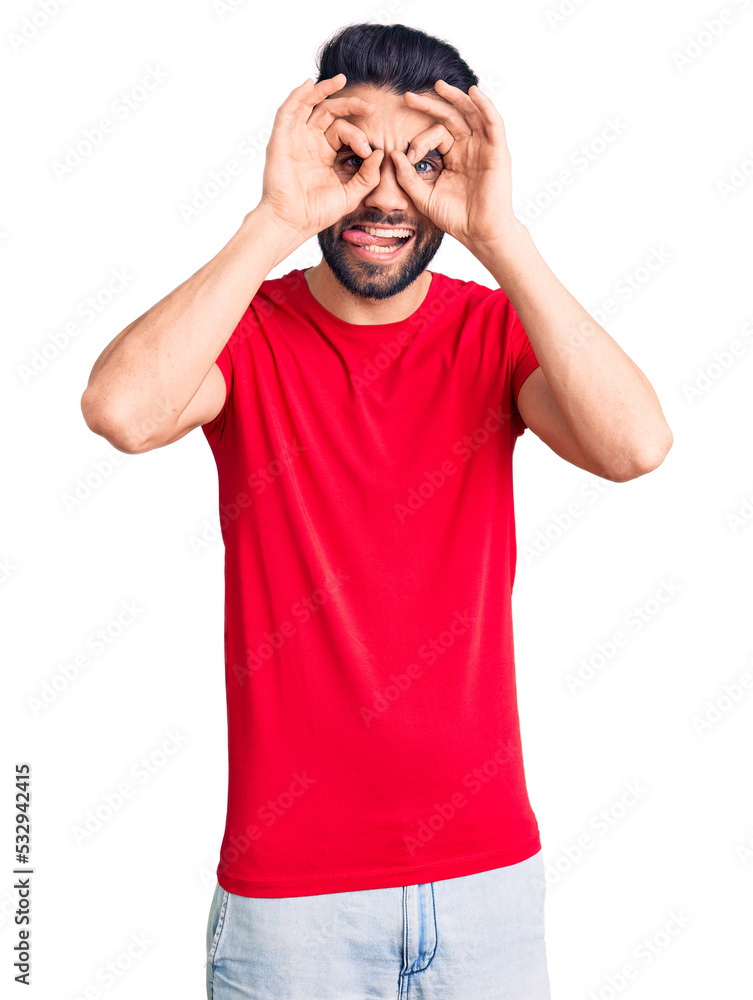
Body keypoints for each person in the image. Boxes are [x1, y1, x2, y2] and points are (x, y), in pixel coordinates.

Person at [80, 22, 672, 1000]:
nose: (386, 191)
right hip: (292, 907)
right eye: (353, 155)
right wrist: (274, 216)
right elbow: (121, 410)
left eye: (425, 160)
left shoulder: (492, 334)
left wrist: (501, 233)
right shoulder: (247, 334)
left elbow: (637, 445)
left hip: (486, 888)